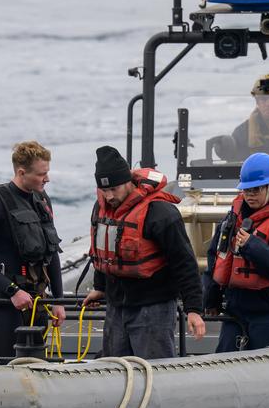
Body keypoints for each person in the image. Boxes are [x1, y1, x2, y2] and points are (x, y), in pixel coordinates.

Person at [84, 145, 206, 359]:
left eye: (115, 189)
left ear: (128, 181)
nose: (110, 196)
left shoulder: (160, 212)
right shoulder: (101, 208)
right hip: (116, 307)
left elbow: (184, 262)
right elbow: (104, 251)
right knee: (114, 367)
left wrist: (193, 309)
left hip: (153, 307)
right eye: (105, 190)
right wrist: (100, 287)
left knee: (155, 370)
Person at [203, 152, 269, 352]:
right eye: (246, 190)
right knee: (225, 363)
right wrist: (212, 298)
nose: (250, 194)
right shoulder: (232, 219)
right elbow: (216, 257)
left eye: (256, 189)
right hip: (237, 311)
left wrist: (252, 246)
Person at [0, 141, 67, 364]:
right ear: (22, 172)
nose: (47, 179)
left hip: (38, 303)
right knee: (5, 367)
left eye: (48, 172)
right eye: (42, 174)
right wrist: (13, 291)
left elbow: (51, 254)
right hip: (6, 304)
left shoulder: (42, 200)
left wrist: (58, 301)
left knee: (36, 367)